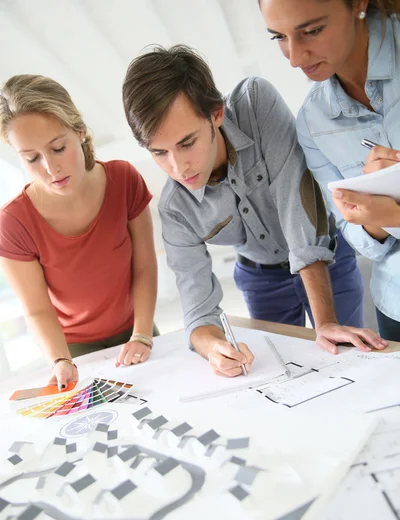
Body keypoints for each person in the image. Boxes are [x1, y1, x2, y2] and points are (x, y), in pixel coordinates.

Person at [122, 45, 386, 378]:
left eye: (188, 142)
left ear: (216, 114)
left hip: (326, 261)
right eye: (160, 153)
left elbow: (295, 199)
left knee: (347, 362)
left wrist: (327, 323)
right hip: (261, 281)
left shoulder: (255, 102)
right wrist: (213, 348)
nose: (178, 167)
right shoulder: (175, 210)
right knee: (283, 374)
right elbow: (198, 311)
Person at [0, 75, 158, 390]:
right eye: (31, 158)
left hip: (136, 328)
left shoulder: (124, 179)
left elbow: (144, 266)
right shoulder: (13, 223)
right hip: (71, 348)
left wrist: (141, 334)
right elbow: (37, 308)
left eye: (58, 148)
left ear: (79, 132)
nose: (50, 167)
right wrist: (60, 360)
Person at [259, 0, 400, 340]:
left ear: (358, 5)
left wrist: (391, 214)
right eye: (279, 37)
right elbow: (361, 241)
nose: (294, 57)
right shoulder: (312, 122)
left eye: (312, 31)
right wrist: (374, 218)